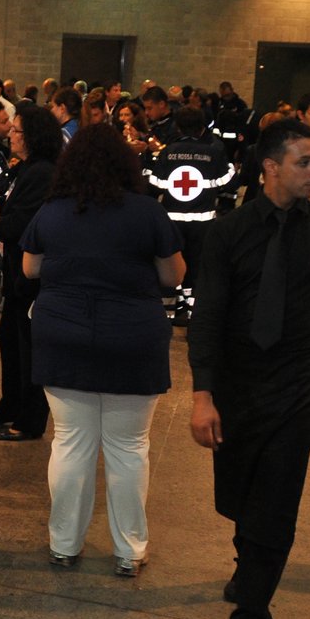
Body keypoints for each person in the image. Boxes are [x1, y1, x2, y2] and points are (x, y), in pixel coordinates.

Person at [188, 117, 310, 619]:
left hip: (294, 380)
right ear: (270, 167)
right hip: (237, 381)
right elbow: (208, 316)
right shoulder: (228, 232)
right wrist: (203, 394)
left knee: (278, 504)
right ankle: (249, 558)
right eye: (304, 162)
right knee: (239, 494)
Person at [20, 124, 184, 575]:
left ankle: (63, 545)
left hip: (63, 334)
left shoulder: (53, 211)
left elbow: (30, 268)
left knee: (71, 444)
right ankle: (130, 551)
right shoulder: (147, 212)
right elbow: (173, 276)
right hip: (133, 338)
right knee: (129, 448)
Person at [0, 103, 60, 440]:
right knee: (11, 342)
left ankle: (28, 420)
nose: (10, 135)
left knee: (28, 347)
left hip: (31, 275)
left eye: (17, 131)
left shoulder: (42, 172)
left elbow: (24, 221)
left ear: (34, 136)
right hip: (15, 273)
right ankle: (9, 406)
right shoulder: (26, 168)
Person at [144, 106, 234, 325]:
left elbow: (155, 185)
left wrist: (146, 168)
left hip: (172, 222)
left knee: (171, 267)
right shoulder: (214, 153)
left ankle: (168, 315)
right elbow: (229, 183)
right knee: (197, 269)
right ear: (203, 127)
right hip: (203, 223)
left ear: (177, 126)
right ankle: (195, 317)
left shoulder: (168, 152)